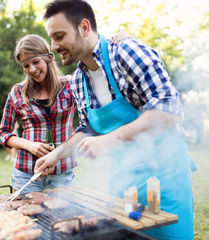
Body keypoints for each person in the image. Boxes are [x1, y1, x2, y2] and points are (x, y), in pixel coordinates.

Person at [34, 1, 195, 239]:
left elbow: (168, 108)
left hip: (163, 179)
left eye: (59, 36)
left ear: (85, 27)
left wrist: (110, 140)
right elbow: (88, 130)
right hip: (123, 181)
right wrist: (55, 155)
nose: (54, 47)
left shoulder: (127, 52)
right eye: (51, 38)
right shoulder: (79, 79)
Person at [0, 33, 132, 193]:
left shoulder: (71, 85)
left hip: (62, 172)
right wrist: (29, 145)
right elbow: (3, 132)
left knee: (62, 216)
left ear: (48, 57)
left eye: (35, 62)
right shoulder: (18, 92)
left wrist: (119, 43)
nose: (32, 69)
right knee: (25, 217)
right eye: (26, 66)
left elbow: (99, 71)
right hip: (27, 173)